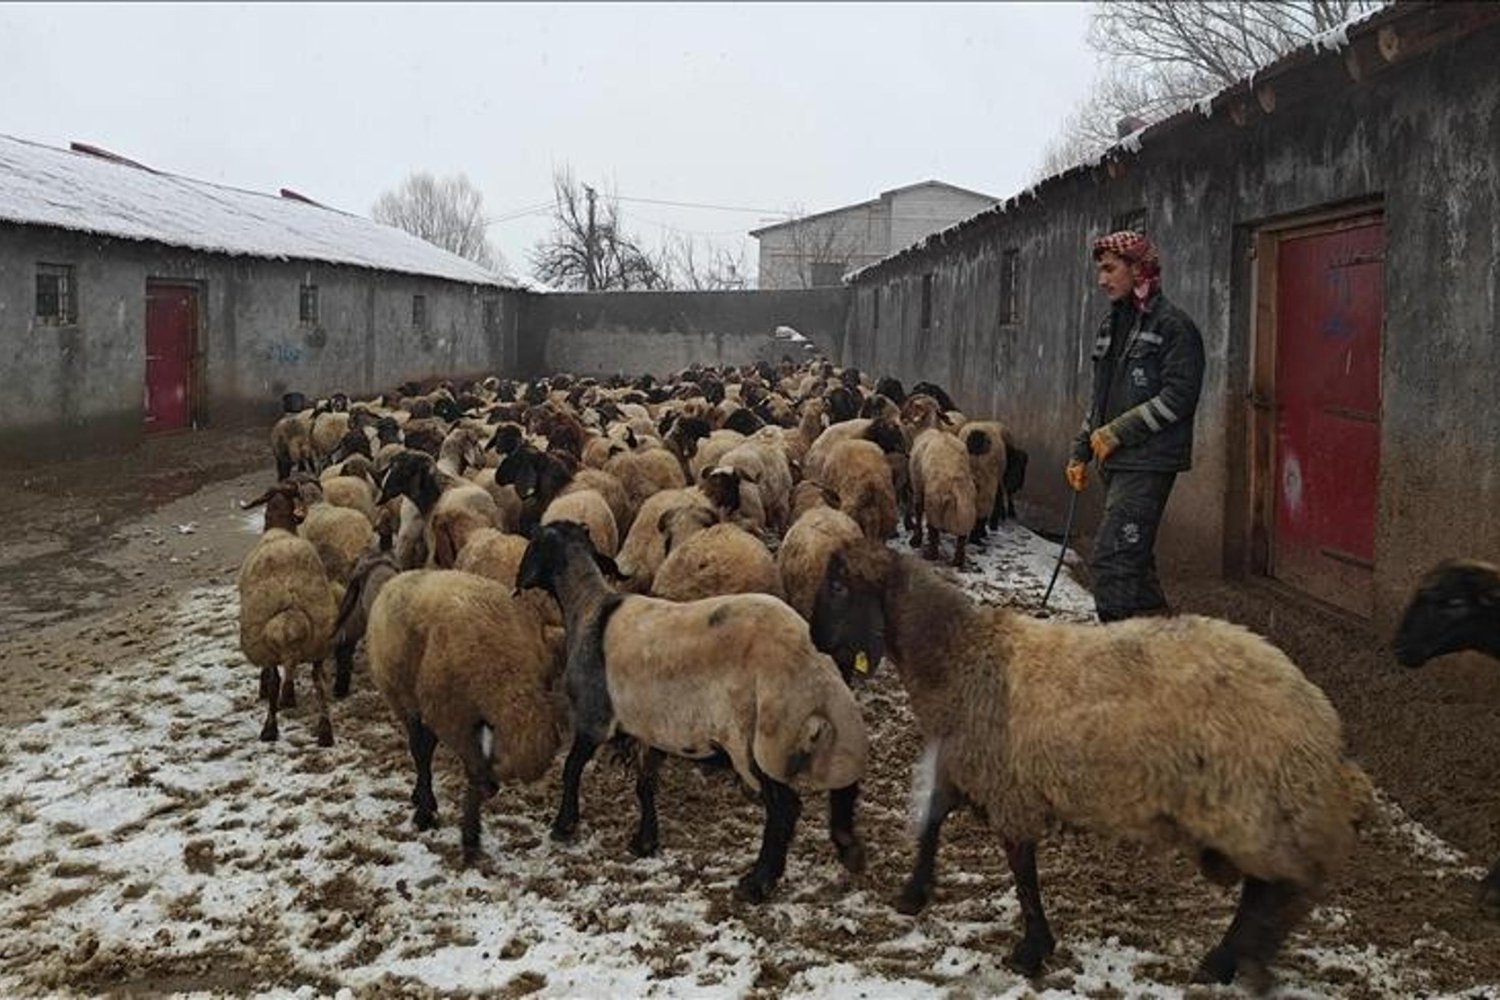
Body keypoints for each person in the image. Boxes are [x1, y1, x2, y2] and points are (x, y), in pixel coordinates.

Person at [1066, 230, 1205, 622]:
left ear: (1139, 269)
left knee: (1112, 564)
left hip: (1149, 462)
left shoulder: (1174, 328)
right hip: (1116, 463)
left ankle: (1124, 664)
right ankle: (1165, 649)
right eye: (1100, 270)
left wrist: (1117, 432)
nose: (1102, 280)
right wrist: (1080, 449)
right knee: (1136, 565)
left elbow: (1179, 397)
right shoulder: (1111, 327)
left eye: (1110, 269)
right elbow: (1100, 399)